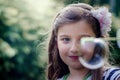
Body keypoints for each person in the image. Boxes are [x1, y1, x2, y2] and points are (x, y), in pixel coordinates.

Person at [47, 3, 120, 80]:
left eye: (83, 40)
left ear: (98, 41)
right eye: (66, 39)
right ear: (56, 43)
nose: (74, 49)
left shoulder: (113, 76)